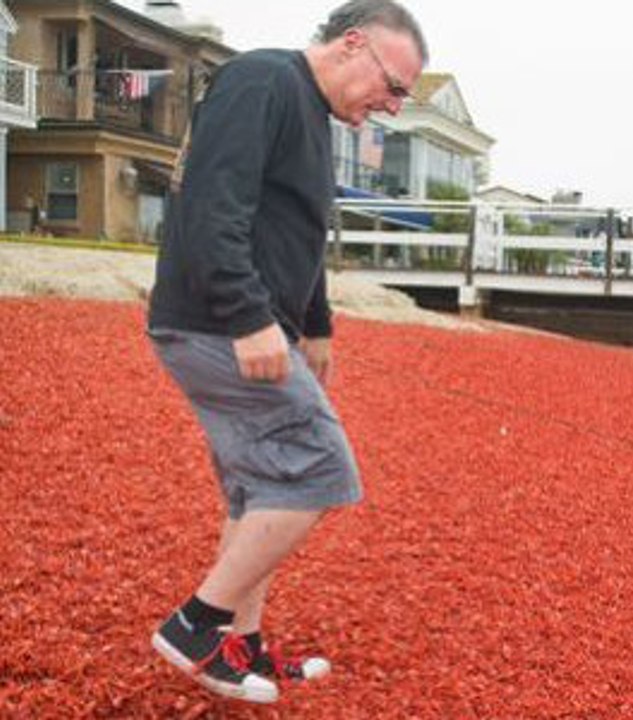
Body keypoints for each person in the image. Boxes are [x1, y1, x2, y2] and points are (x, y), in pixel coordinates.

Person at [146, 0, 426, 704]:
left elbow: (298, 229)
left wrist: (316, 322)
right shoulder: (261, 81)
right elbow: (213, 204)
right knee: (320, 468)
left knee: (262, 483)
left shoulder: (307, 110)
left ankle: (237, 649)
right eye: (393, 87)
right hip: (216, 323)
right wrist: (247, 317)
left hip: (245, 323)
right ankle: (196, 624)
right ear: (354, 45)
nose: (391, 107)